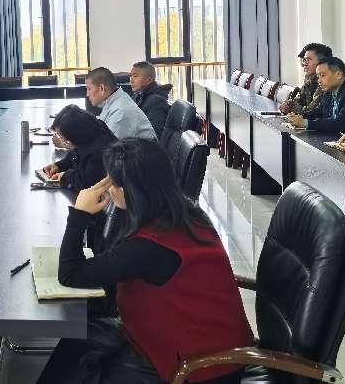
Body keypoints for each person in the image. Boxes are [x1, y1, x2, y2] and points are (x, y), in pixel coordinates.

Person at [36, 139, 252, 384]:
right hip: (207, 342)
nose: (108, 188)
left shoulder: (147, 248)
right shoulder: (184, 213)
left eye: (113, 182)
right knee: (77, 342)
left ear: (131, 191)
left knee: (79, 357)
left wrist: (79, 214)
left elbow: (70, 274)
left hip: (200, 366)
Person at [287, 57, 345, 133]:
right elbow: (318, 112)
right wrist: (298, 117)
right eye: (318, 76)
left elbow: (342, 124)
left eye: (323, 75)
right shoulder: (330, 90)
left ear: (338, 75)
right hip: (340, 139)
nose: (319, 81)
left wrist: (306, 123)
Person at [40, 105, 118, 191]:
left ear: (75, 134)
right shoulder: (86, 134)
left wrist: (65, 175)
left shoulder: (99, 150)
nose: (62, 139)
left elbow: (86, 182)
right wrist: (58, 166)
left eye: (62, 136)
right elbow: (75, 155)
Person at [86, 67, 156, 140]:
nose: (87, 94)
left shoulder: (121, 111)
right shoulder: (113, 102)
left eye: (89, 89)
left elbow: (108, 144)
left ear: (102, 88)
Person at [279, 42, 333, 114]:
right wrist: (287, 104)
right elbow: (298, 101)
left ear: (322, 63)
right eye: (304, 60)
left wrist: (291, 107)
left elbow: (311, 112)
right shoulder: (309, 80)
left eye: (309, 59)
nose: (305, 64)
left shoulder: (326, 82)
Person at [129, 61, 171, 139]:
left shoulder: (157, 101)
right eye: (130, 76)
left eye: (135, 76)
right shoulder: (137, 96)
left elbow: (153, 135)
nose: (131, 80)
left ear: (148, 79)